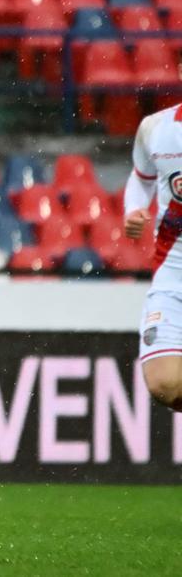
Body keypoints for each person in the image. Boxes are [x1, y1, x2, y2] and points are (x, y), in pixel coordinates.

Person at [125, 103, 182, 411]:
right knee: (165, 384)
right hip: (172, 276)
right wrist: (133, 209)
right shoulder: (155, 129)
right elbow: (141, 178)